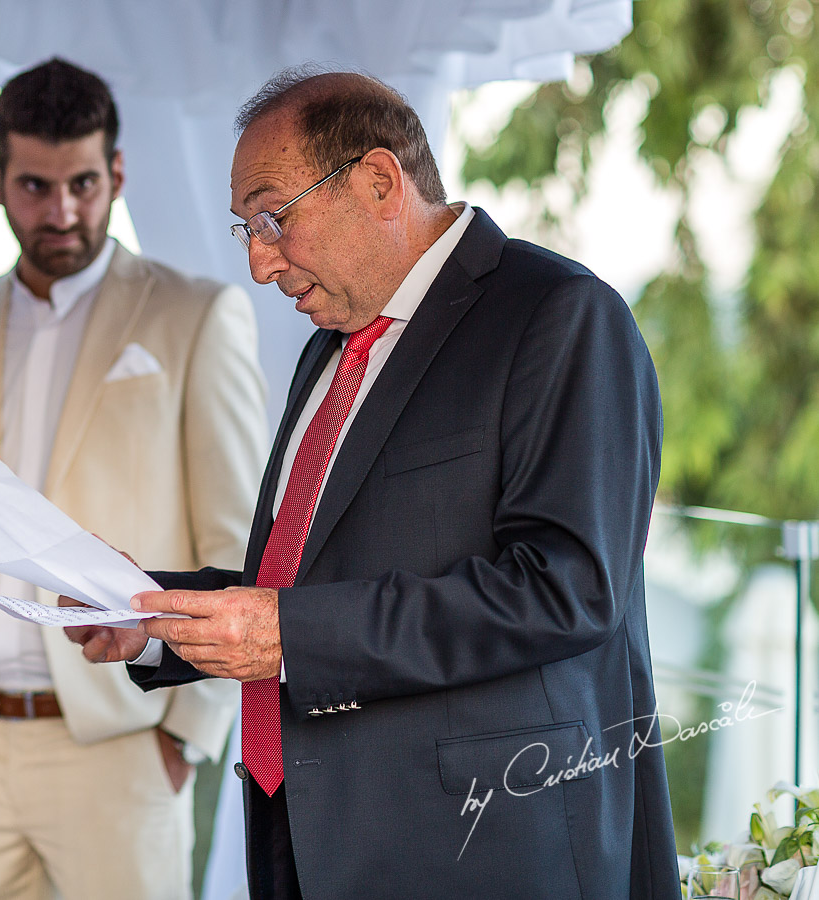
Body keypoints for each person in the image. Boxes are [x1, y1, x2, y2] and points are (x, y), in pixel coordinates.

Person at [66, 69, 682, 899]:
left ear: (379, 181)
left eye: (273, 217)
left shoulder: (561, 314)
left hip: (481, 848)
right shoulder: (330, 347)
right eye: (246, 228)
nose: (257, 261)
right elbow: (305, 584)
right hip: (305, 834)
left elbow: (568, 590)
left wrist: (291, 636)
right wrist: (148, 614)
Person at [0, 58, 269, 899]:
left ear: (116, 173)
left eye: (82, 182)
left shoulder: (194, 316)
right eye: (35, 185)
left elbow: (240, 540)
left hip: (121, 742)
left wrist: (186, 734)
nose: (62, 211)